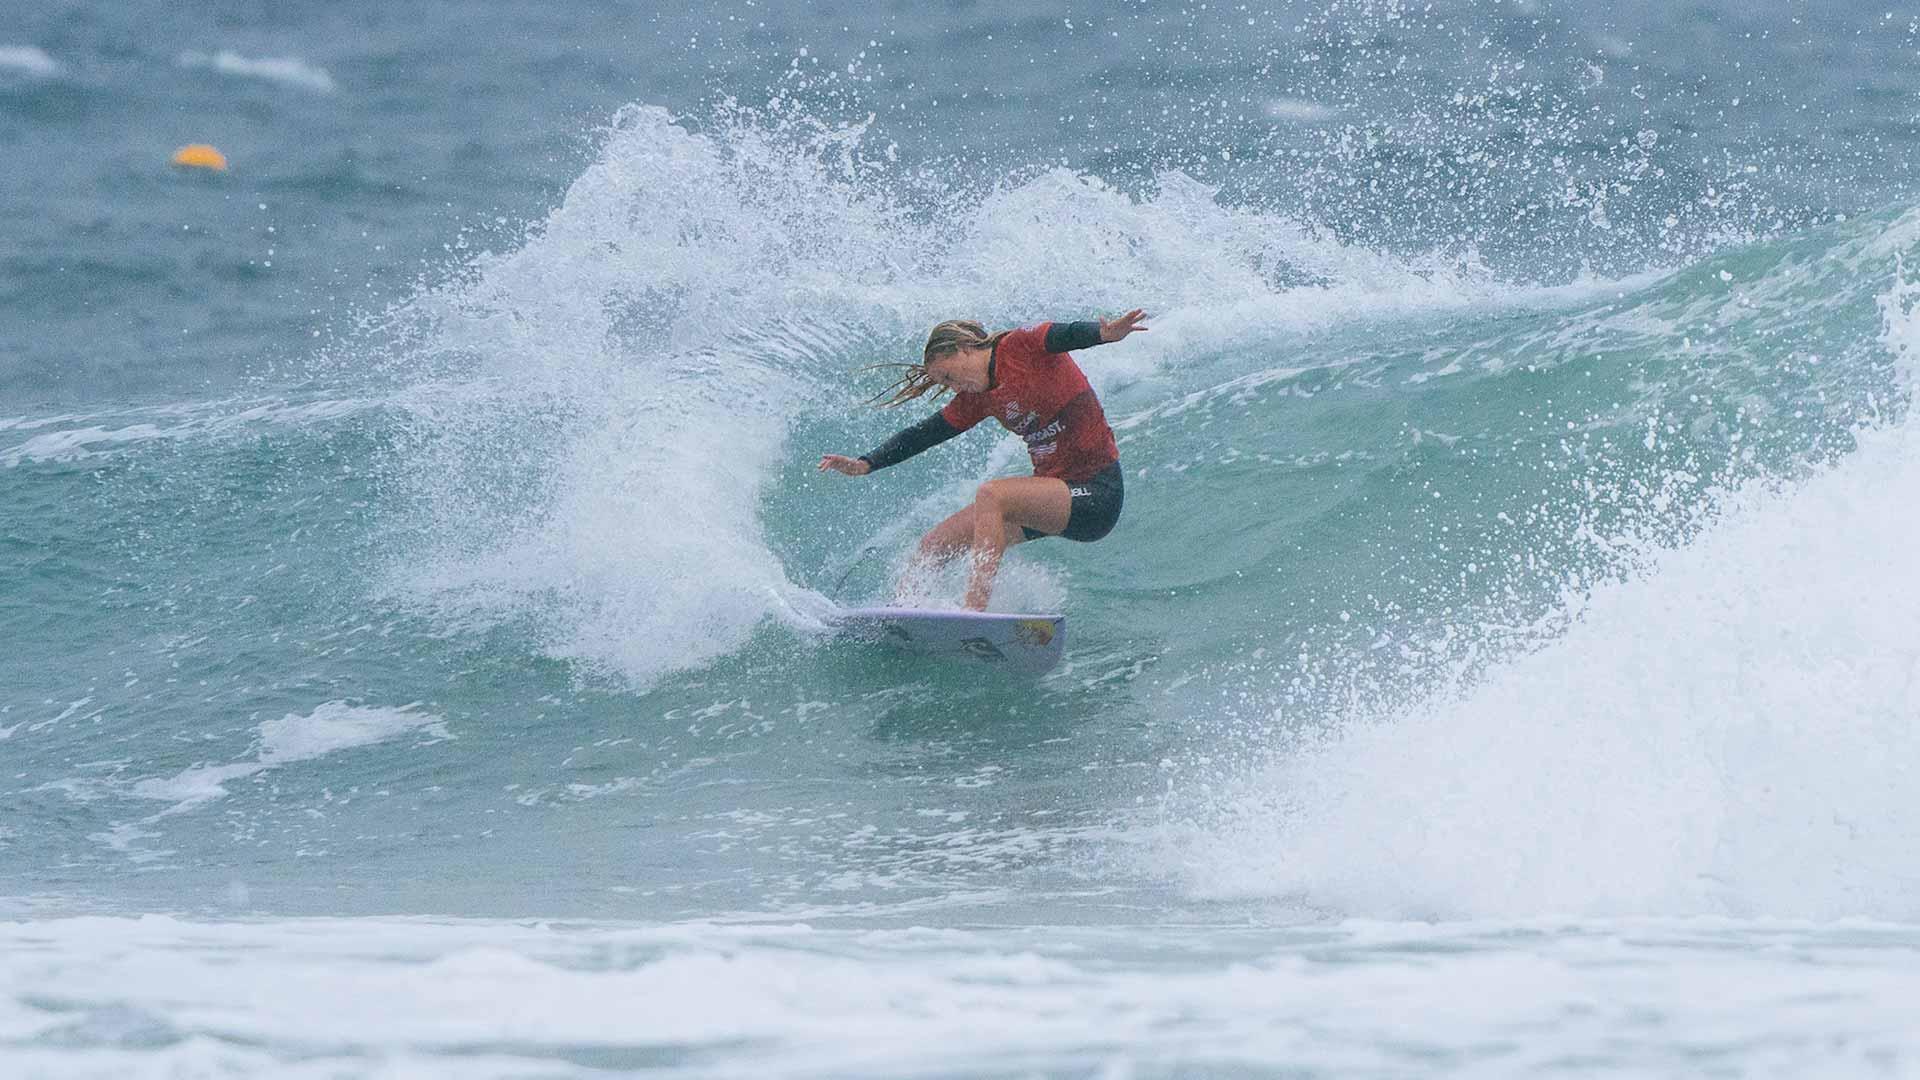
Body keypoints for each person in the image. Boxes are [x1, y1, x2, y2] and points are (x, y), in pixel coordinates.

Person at [819, 310, 1149, 610]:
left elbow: (1061, 334)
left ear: (964, 348)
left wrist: (1103, 334)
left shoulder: (1019, 346)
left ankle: (974, 612)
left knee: (992, 495)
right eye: (944, 384)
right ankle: (904, 611)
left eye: (948, 377)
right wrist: (866, 463)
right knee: (935, 544)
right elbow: (924, 434)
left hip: (1096, 494)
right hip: (1053, 498)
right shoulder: (976, 399)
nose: (952, 387)